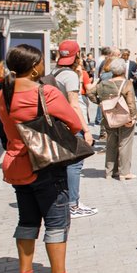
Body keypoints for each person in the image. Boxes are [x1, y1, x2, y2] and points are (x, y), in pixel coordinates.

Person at [0, 44, 91, 273]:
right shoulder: (45, 92)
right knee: (57, 224)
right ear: (35, 66)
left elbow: (3, 125)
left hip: (16, 164)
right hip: (44, 164)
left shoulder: (3, 93)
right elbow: (73, 122)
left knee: (27, 221)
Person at [50, 41, 97, 219]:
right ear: (78, 55)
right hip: (71, 125)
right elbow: (74, 106)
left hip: (59, 125)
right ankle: (73, 204)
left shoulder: (54, 72)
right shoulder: (69, 76)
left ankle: (67, 202)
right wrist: (85, 130)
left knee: (66, 165)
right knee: (75, 165)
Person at [87, 58, 137, 180]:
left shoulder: (104, 83)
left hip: (109, 118)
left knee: (111, 144)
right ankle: (124, 173)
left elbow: (90, 92)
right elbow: (131, 103)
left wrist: (100, 102)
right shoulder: (127, 84)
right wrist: (133, 116)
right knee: (124, 143)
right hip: (125, 118)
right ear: (124, 70)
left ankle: (110, 171)